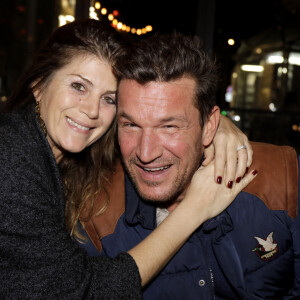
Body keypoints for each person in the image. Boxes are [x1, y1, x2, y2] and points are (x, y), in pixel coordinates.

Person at [0, 19, 257, 299]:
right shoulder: (11, 157)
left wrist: (216, 129)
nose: (91, 110)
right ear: (38, 86)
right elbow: (81, 292)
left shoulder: (78, 154)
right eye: (78, 86)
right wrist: (193, 210)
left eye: (109, 99)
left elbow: (151, 115)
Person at [80, 32, 299, 299]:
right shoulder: (93, 217)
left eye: (169, 126)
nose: (146, 153)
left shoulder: (284, 179)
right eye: (131, 125)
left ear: (209, 127)